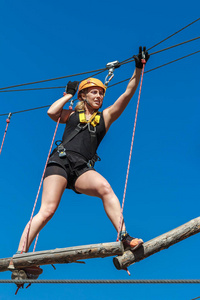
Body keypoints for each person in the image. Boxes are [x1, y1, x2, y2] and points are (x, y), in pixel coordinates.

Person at [17, 46, 149, 255]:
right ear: (84, 96)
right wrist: (68, 95)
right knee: (47, 210)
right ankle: (20, 254)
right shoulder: (71, 116)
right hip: (59, 162)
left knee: (105, 188)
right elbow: (52, 112)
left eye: (101, 93)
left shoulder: (104, 118)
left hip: (82, 168)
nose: (99, 96)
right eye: (94, 92)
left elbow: (127, 94)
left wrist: (138, 69)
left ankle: (124, 236)